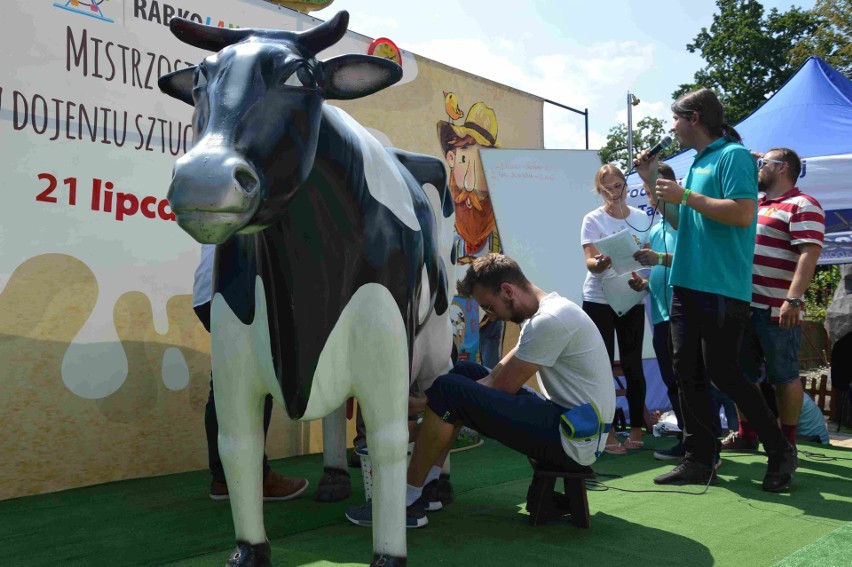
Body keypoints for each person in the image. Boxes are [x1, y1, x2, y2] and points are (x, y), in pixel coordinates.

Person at [345, 253, 615, 527]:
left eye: (488, 306)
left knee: (450, 388)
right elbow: (495, 374)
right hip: (571, 425)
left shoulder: (549, 321)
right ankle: (429, 488)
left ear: (507, 291)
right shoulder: (546, 312)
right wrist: (429, 403)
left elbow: (501, 387)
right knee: (464, 373)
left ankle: (404, 501)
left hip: (573, 441)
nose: (489, 315)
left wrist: (418, 406)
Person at [634, 88, 796, 492]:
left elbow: (743, 214)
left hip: (722, 286)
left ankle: (780, 450)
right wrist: (652, 179)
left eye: (675, 119)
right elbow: (678, 221)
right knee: (686, 372)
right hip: (686, 283)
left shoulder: (733, 156)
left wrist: (686, 194)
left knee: (726, 373)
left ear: (694, 118)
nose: (671, 128)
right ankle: (699, 459)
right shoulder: (698, 161)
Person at [723, 148, 825, 452]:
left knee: (785, 377)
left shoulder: (802, 204)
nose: (758, 170)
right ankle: (747, 435)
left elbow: (809, 253)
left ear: (782, 169)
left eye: (762, 164)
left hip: (778, 310)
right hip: (744, 306)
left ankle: (786, 442)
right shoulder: (756, 204)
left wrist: (793, 299)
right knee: (742, 376)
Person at [193, 244, 309, 501]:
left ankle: (224, 479)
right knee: (257, 379)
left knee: (226, 380)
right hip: (240, 282)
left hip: (210, 289)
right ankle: (254, 476)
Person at [581, 164, 650, 454]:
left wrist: (643, 282)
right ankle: (606, 432)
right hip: (598, 298)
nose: (613, 192)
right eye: (606, 188)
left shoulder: (641, 217)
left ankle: (636, 428)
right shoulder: (592, 219)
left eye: (617, 185)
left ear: (625, 184)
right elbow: (589, 261)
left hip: (631, 296)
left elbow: (647, 260)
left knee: (633, 365)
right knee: (602, 366)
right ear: (599, 190)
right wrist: (601, 263)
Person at [629, 163, 686, 460]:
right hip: (661, 314)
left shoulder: (685, 220)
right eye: (650, 189)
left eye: (656, 187)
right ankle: (689, 441)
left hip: (685, 313)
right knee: (671, 380)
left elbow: (693, 260)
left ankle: (705, 441)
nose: (652, 194)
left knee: (690, 379)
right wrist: (645, 285)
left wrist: (659, 258)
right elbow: (661, 273)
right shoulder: (654, 228)